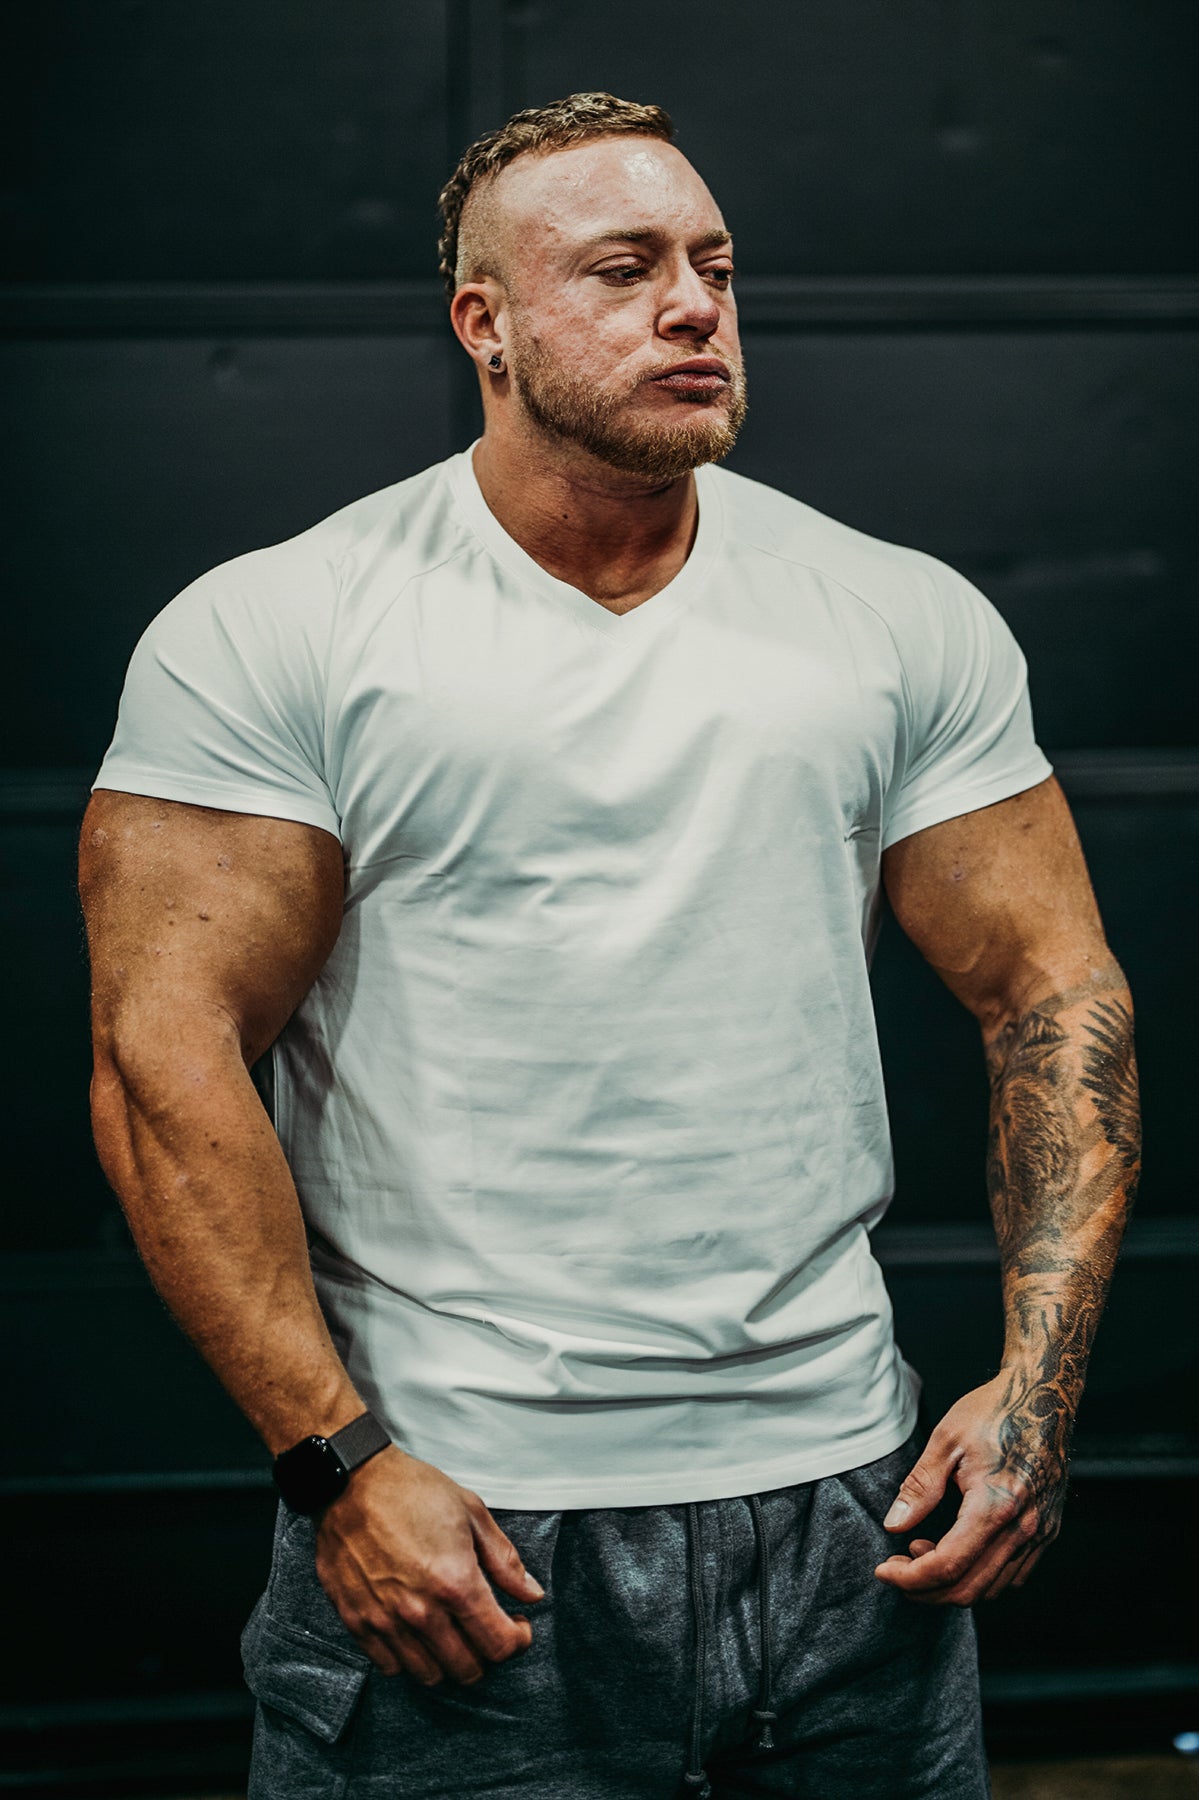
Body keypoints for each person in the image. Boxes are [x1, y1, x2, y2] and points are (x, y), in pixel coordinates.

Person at [79, 91, 1141, 1800]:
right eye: (623, 269)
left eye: (715, 265)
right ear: (483, 325)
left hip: (851, 1522)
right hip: (467, 1530)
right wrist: (334, 1463)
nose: (695, 306)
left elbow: (1054, 994)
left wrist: (1040, 1387)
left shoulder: (892, 615)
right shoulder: (279, 627)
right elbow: (162, 1060)